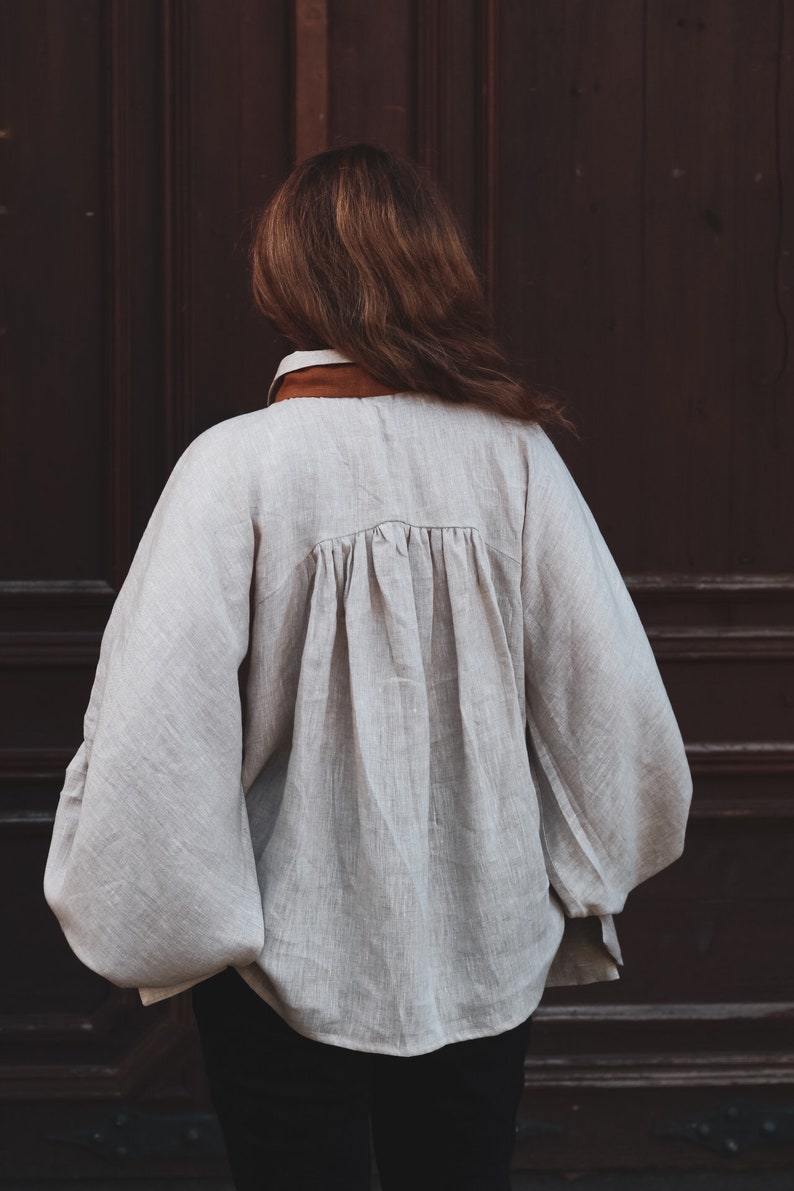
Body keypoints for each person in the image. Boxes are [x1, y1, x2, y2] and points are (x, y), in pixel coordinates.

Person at [44, 143, 692, 1190]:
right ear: (434, 269)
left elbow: (150, 739)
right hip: (485, 940)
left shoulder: (232, 471)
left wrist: (172, 924)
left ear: (280, 280)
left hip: (278, 968)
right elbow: (607, 704)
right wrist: (580, 868)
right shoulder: (515, 460)